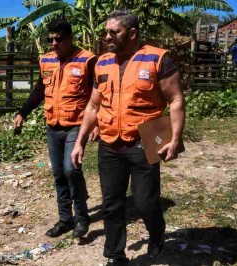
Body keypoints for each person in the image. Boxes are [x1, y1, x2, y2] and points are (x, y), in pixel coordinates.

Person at [71, 10, 185, 265]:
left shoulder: (157, 58)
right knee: (111, 204)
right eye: (106, 32)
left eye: (114, 32)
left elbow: (176, 99)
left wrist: (175, 139)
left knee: (146, 202)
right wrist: (79, 142)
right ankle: (115, 254)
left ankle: (156, 234)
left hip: (145, 140)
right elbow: (92, 106)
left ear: (132, 33)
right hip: (110, 144)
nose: (107, 37)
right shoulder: (102, 62)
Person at [14, 19, 98, 238]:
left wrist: (96, 124)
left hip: (77, 125)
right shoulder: (46, 60)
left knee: (72, 170)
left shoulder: (87, 60)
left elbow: (96, 96)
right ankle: (65, 219)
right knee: (59, 174)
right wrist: (22, 112)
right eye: (50, 39)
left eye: (58, 39)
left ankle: (81, 216)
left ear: (70, 38)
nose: (53, 43)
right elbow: (39, 90)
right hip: (52, 125)